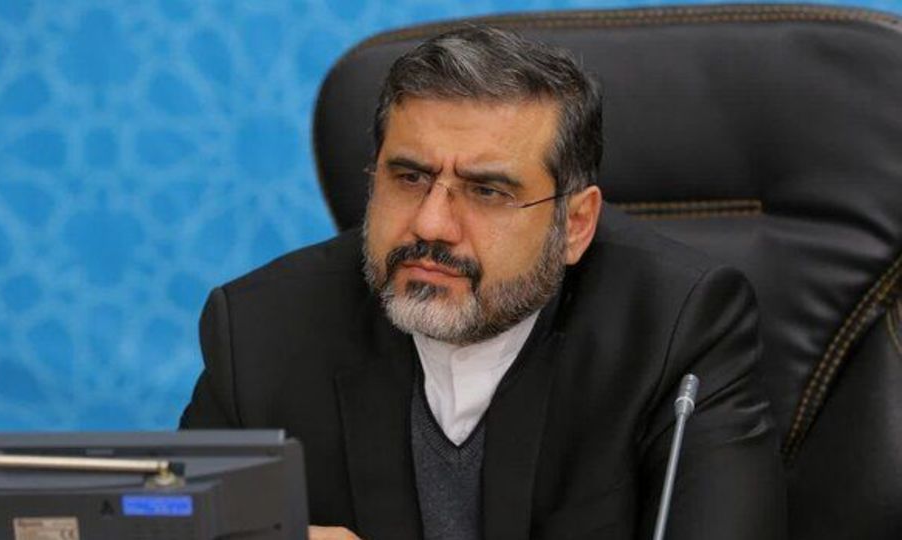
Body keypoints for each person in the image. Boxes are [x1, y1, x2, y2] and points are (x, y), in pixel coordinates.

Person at [180, 26, 786, 540]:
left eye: (487, 191)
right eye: (409, 178)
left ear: (575, 225)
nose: (431, 225)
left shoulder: (678, 328)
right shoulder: (260, 330)